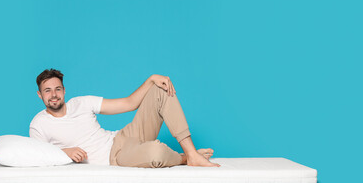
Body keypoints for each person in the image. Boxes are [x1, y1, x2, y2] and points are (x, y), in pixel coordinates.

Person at [29, 68, 221, 168]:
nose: (53, 95)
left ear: (64, 90)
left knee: (159, 90)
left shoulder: (82, 102)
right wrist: (65, 151)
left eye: (57, 89)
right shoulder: (39, 124)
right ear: (40, 95)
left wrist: (151, 79)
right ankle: (183, 159)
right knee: (155, 153)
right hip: (116, 158)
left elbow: (129, 103)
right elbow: (38, 156)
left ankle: (192, 154)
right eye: (47, 91)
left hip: (123, 137)